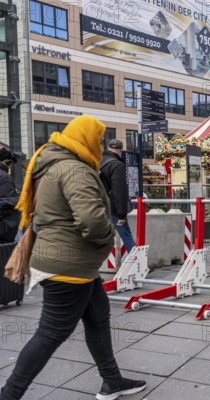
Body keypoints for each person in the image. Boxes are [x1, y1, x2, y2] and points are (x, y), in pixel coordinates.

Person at [0, 116, 146, 400]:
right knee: (50, 333)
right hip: (68, 265)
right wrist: (107, 240)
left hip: (72, 263)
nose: (101, 145)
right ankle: (9, 394)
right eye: (99, 139)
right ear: (87, 139)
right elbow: (91, 220)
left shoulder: (54, 163)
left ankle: (112, 381)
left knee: (98, 318)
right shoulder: (74, 169)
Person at [99, 139, 135, 252]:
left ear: (108, 148)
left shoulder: (99, 162)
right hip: (112, 208)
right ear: (120, 150)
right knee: (127, 235)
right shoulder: (117, 165)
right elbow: (119, 191)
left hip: (98, 206)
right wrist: (122, 214)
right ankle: (136, 264)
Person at [0, 148, 20, 243]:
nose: (10, 167)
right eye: (11, 164)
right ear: (7, 162)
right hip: (4, 231)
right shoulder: (5, 178)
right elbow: (8, 202)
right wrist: (17, 198)